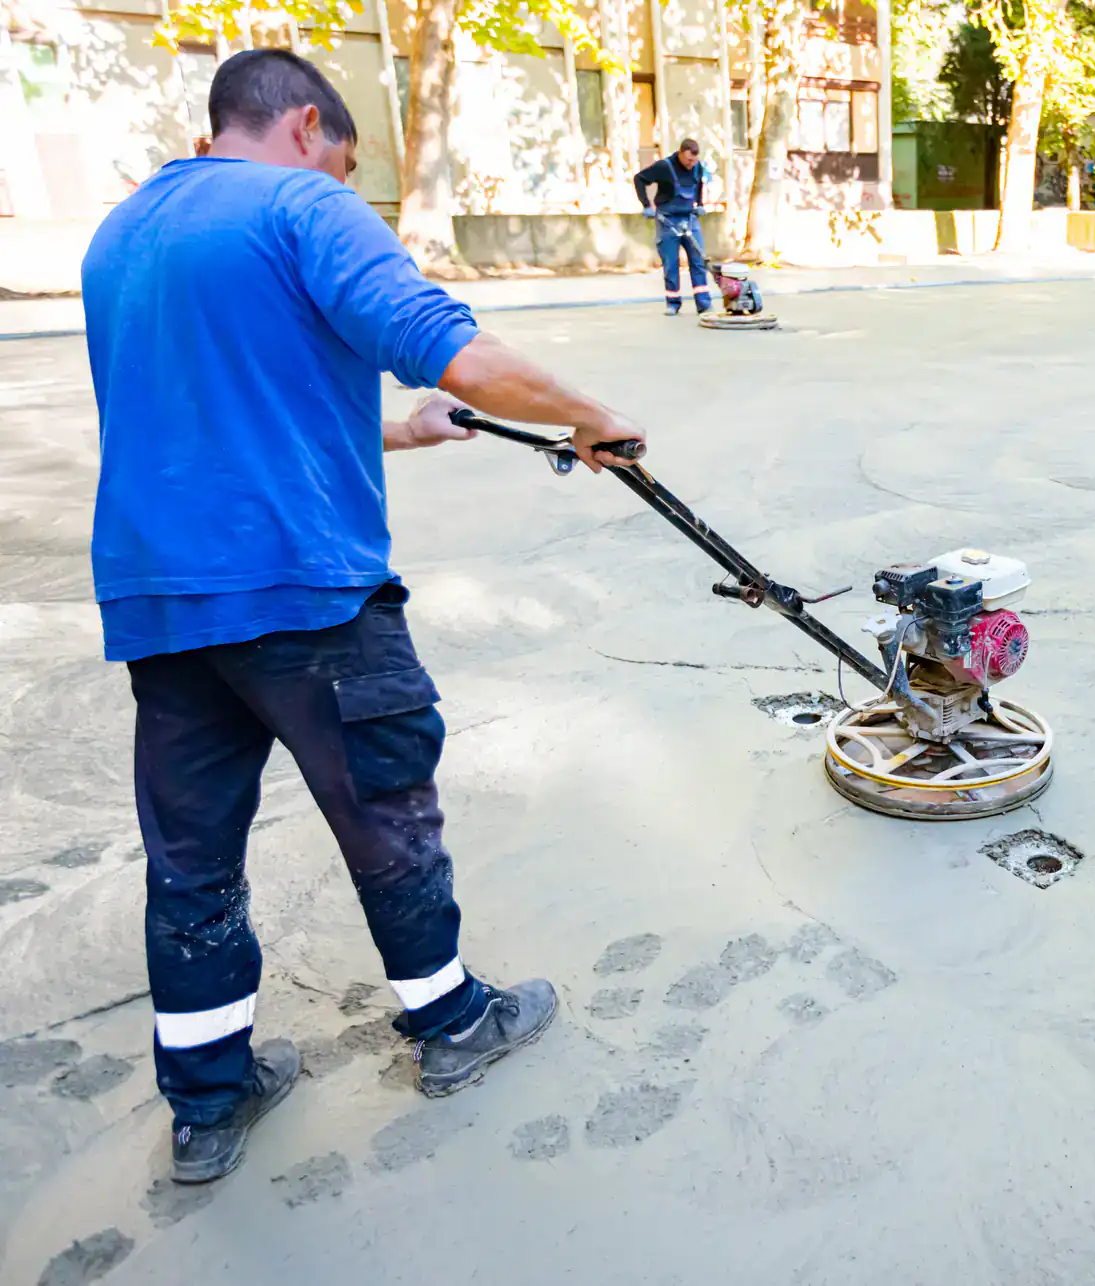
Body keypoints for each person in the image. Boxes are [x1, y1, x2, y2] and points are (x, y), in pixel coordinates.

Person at [80, 49, 647, 1185]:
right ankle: (452, 1024)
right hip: (305, 594)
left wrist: (404, 429)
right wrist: (592, 417)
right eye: (344, 160)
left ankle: (207, 1099)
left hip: (162, 598)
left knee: (191, 858)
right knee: (388, 809)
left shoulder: (121, 235)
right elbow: (453, 344)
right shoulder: (303, 204)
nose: (344, 180)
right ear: (305, 128)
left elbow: (231, 409)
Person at [634, 138, 713, 316]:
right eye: (688, 160)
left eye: (694, 160)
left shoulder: (698, 167)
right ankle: (673, 303)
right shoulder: (664, 167)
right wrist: (646, 205)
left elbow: (699, 184)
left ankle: (704, 304)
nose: (691, 164)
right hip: (668, 220)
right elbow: (639, 179)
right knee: (671, 263)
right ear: (680, 153)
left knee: (698, 261)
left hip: (689, 219)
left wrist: (699, 203)